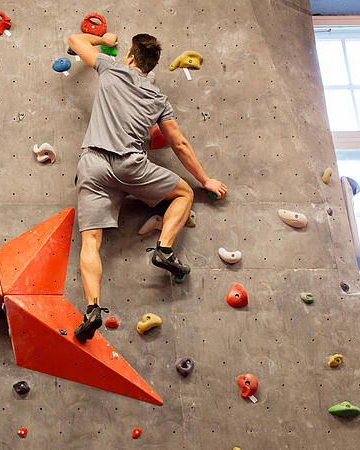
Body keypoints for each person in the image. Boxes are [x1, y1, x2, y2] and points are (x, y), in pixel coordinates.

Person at [68, 32, 228, 342]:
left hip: (94, 165)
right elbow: (178, 144)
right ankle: (165, 249)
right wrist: (205, 180)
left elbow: (75, 40)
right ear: (151, 67)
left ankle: (92, 308)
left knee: (91, 243)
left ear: (129, 57)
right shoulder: (158, 98)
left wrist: (102, 38)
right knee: (185, 192)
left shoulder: (111, 68)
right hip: (131, 166)